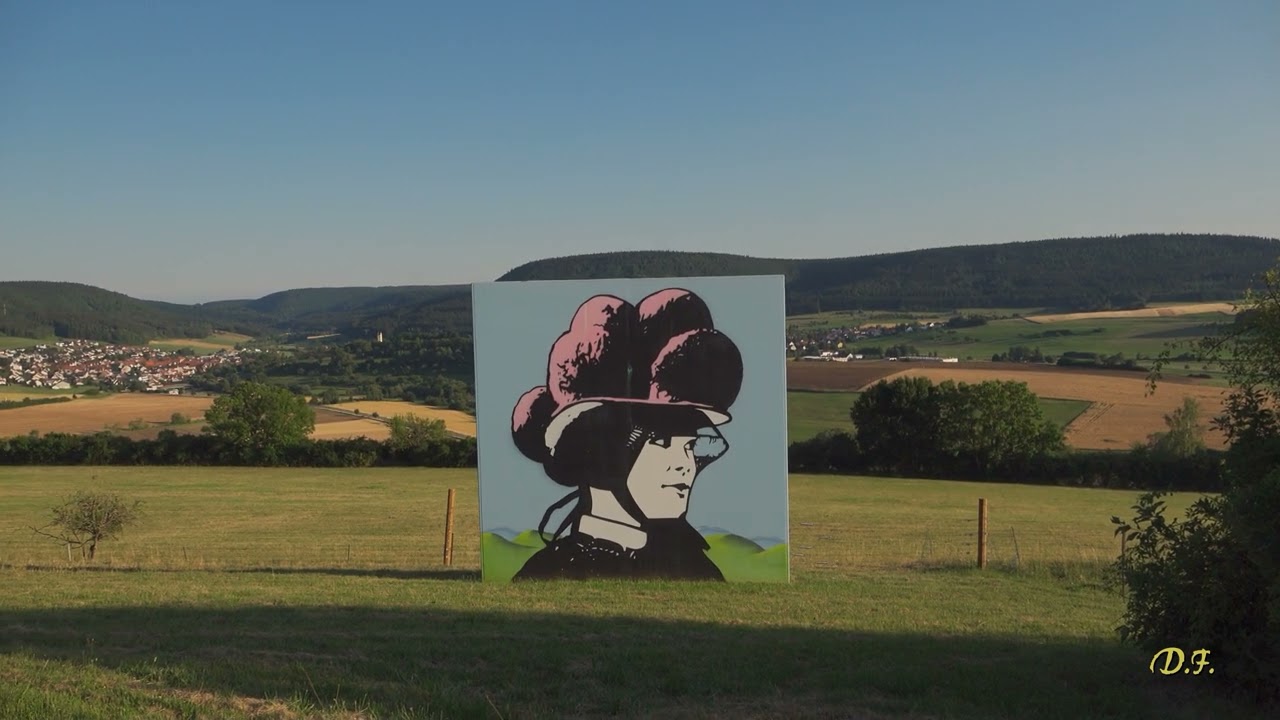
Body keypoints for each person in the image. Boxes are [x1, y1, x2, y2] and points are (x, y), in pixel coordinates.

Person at [508, 287, 743, 580]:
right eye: (662, 442)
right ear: (604, 449)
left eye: (689, 446)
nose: (685, 465)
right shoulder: (548, 572)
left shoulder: (697, 568)